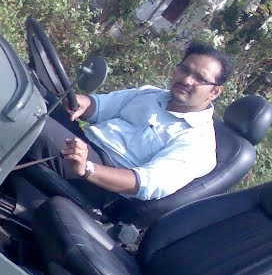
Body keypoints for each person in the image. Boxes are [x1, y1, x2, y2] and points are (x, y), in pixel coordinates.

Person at [22, 41, 232, 207]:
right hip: (84, 143)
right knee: (24, 85)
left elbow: (146, 183)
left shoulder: (198, 144)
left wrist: (87, 168)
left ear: (214, 91)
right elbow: (100, 106)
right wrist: (80, 102)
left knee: (30, 119)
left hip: (99, 181)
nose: (187, 80)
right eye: (185, 70)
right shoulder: (151, 94)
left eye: (199, 78)